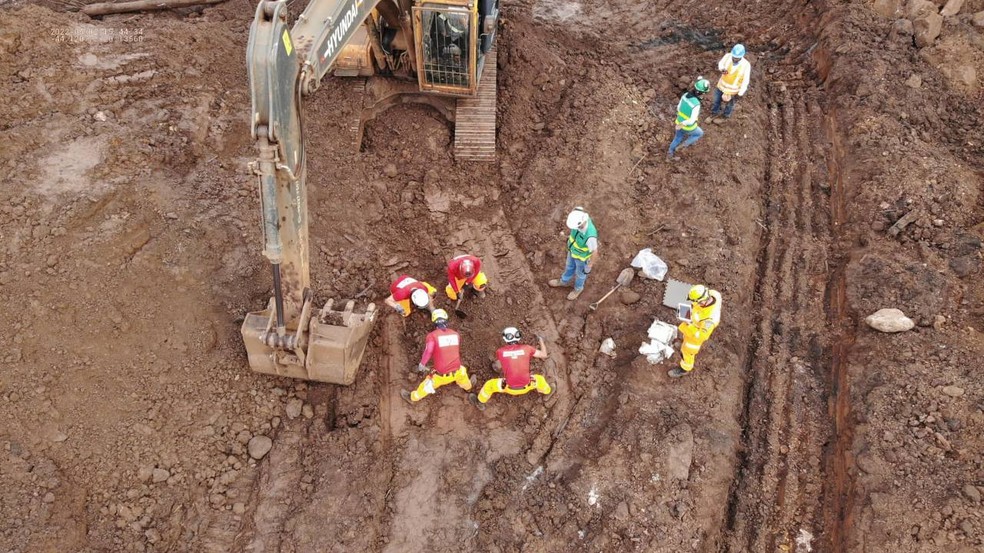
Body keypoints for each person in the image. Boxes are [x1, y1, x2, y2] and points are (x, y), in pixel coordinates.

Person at [401, 309, 476, 403]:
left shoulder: (432, 336)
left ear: (434, 322)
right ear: (446, 320)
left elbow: (428, 351)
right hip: (457, 370)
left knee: (427, 384)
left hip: (441, 375)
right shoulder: (455, 334)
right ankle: (468, 388)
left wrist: (422, 364)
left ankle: (413, 398)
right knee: (463, 374)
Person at [470, 327, 551, 410]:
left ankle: (480, 401)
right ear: (518, 336)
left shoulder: (500, 351)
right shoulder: (527, 348)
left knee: (489, 385)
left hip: (508, 388)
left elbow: (499, 362)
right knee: (540, 380)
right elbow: (544, 354)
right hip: (527, 385)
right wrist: (541, 340)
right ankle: (547, 391)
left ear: (505, 339)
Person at [669, 284, 722, 378]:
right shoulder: (713, 294)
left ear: (703, 301)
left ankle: (685, 369)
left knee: (687, 351)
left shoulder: (709, 320)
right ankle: (683, 345)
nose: (695, 304)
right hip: (693, 328)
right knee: (685, 341)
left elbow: (701, 336)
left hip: (695, 337)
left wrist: (689, 323)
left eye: (697, 302)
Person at [547, 207, 599, 301]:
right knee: (569, 267)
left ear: (581, 224)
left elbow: (595, 252)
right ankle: (564, 281)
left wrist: (589, 265)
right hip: (572, 252)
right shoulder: (578, 215)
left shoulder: (590, 235)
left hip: (582, 259)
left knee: (580, 274)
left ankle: (578, 289)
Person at [667, 77, 710, 161]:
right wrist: (684, 123)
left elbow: (679, 108)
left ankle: (669, 154)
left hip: (678, 122)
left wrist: (681, 122)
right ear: (701, 93)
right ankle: (684, 145)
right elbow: (692, 120)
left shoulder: (685, 95)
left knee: (677, 138)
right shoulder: (696, 104)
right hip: (688, 127)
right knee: (699, 133)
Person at [711, 44, 751, 121]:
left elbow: (746, 80)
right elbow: (721, 63)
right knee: (716, 100)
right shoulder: (727, 56)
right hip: (721, 86)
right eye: (734, 57)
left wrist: (740, 94)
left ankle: (725, 116)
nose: (734, 59)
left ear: (741, 56)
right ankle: (714, 113)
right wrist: (722, 69)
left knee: (729, 104)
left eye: (737, 58)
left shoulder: (746, 65)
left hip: (733, 91)